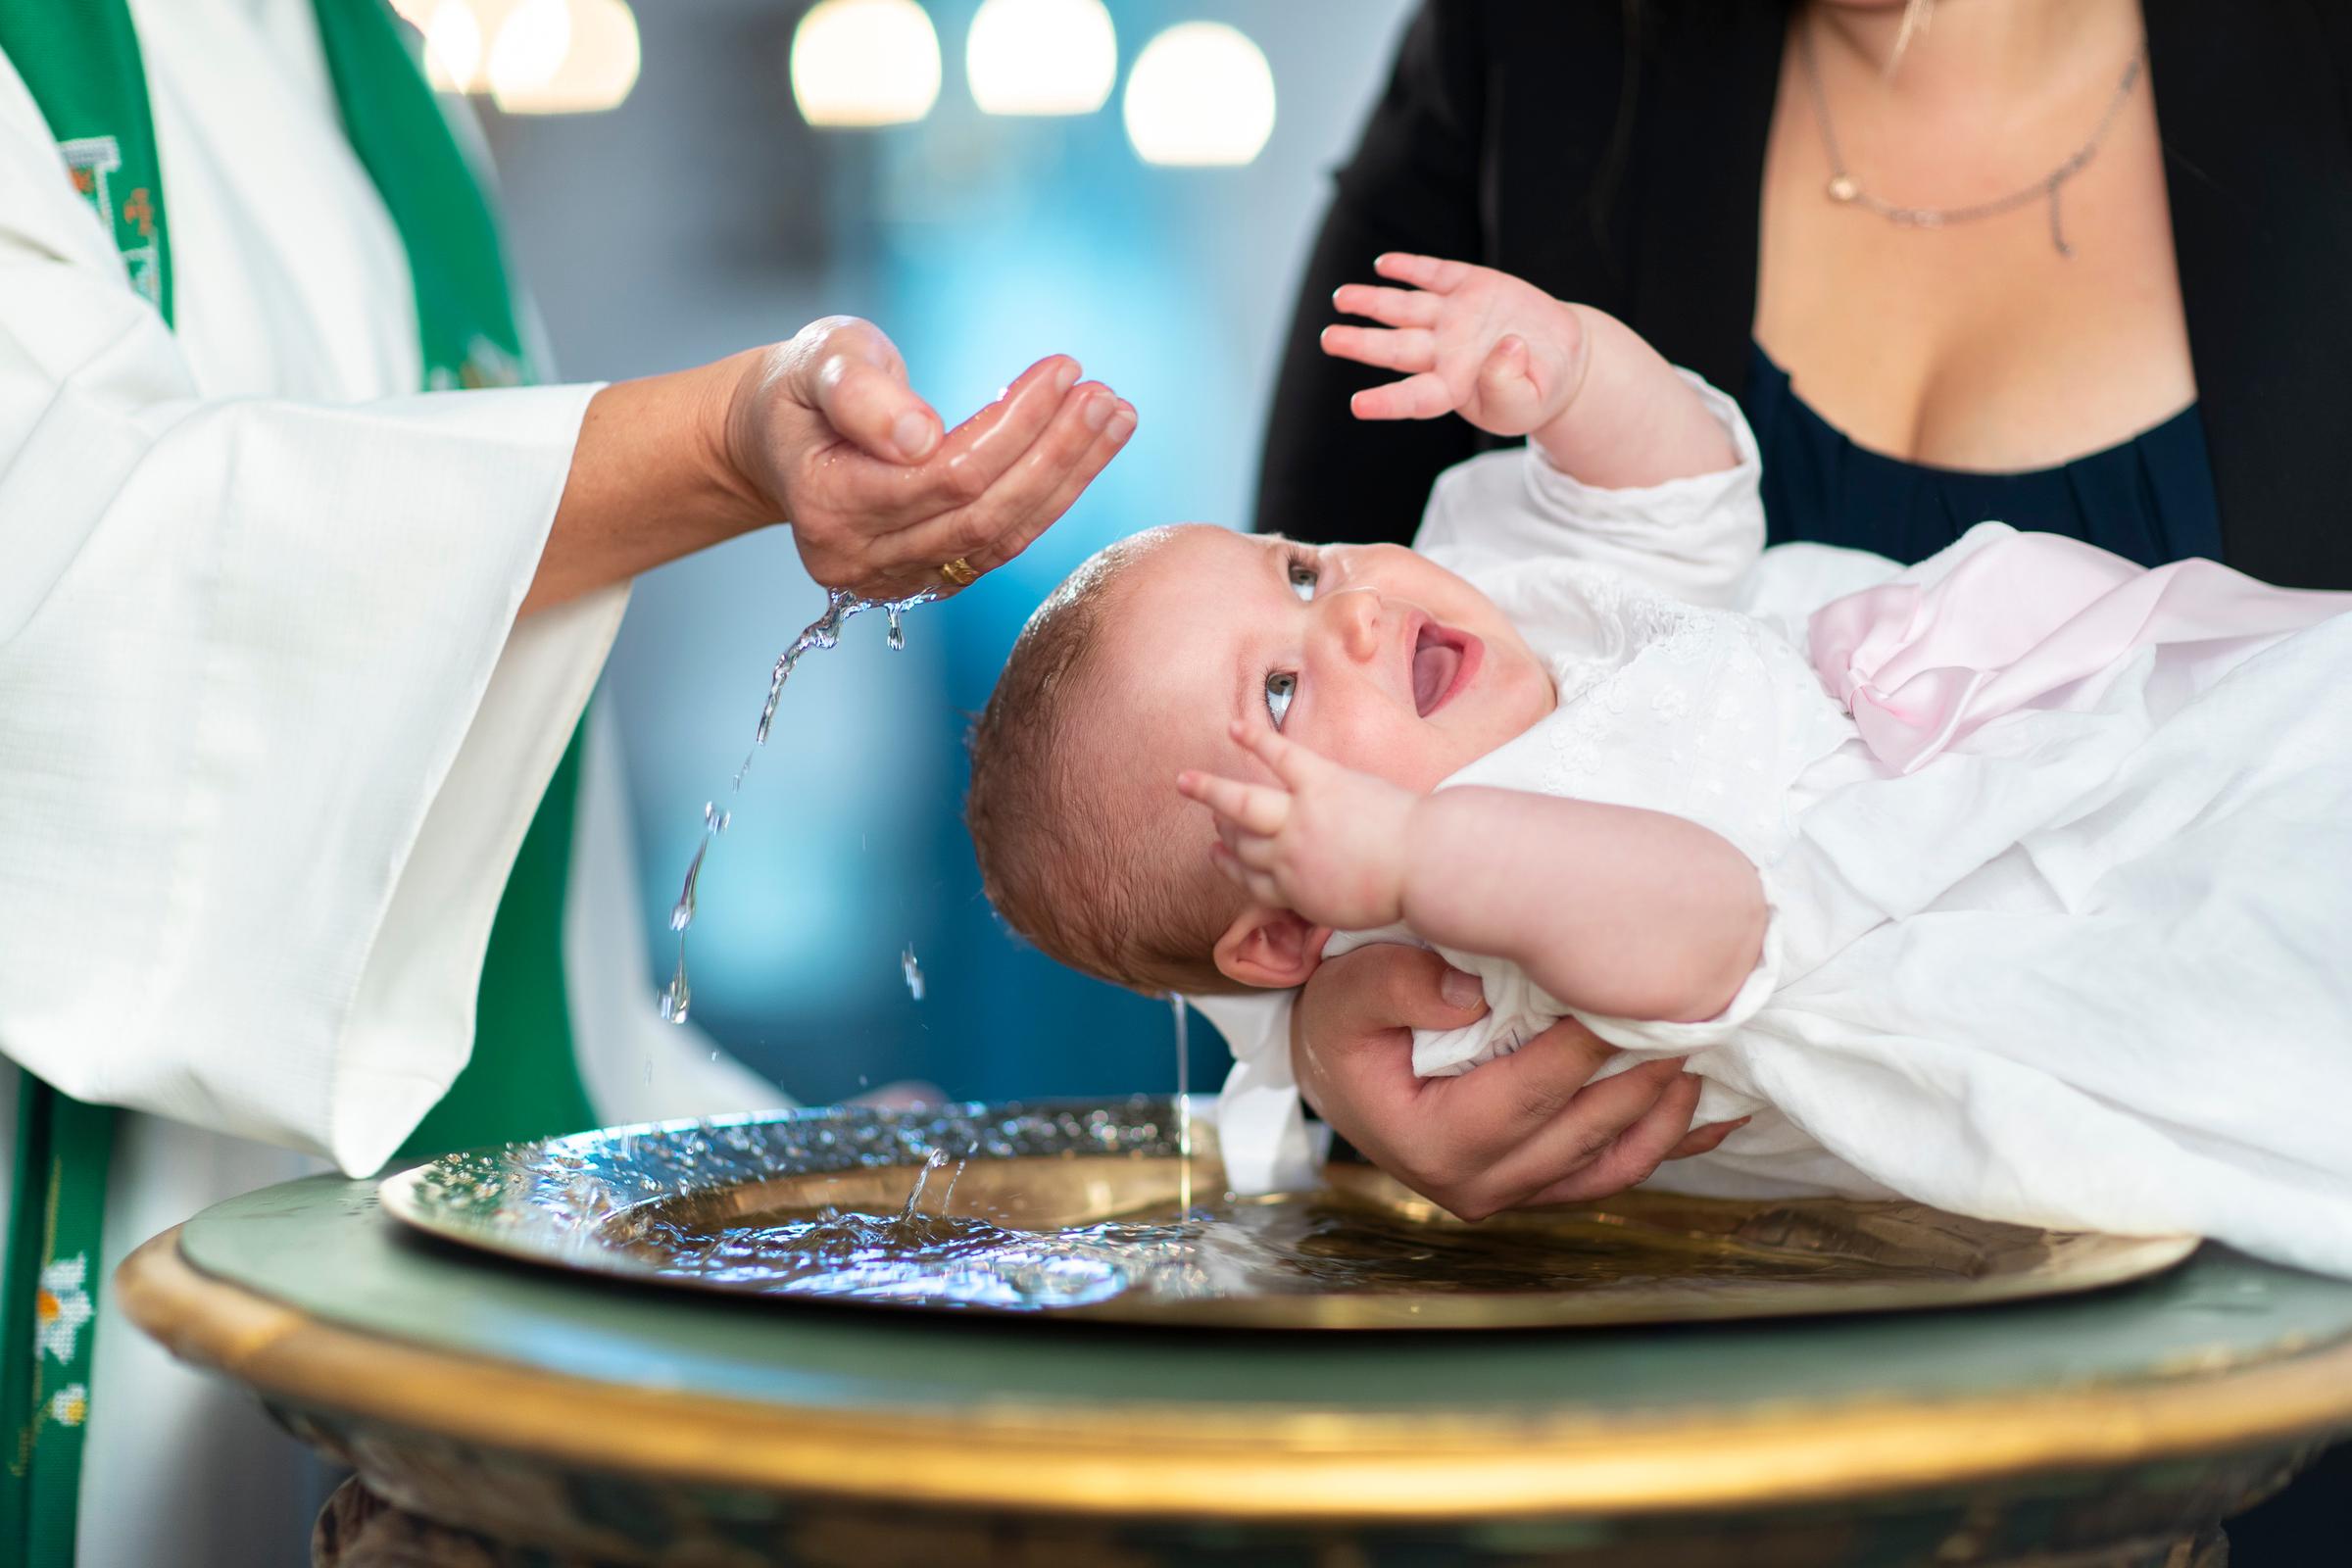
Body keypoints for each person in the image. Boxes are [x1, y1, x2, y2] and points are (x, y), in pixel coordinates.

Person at [0, 3, 1132, 1564]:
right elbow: (80, 601)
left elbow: (498, 904)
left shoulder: (380, 79)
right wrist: (716, 451)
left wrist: (770, 1185)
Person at [963, 250, 2352, 1275]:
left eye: (1306, 573)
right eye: (1278, 690)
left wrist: (1569, 371)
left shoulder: (1505, 598)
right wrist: (1415, 861)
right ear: (1292, 919)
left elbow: (1680, 501)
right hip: (2024, 900)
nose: (1356, 614)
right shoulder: (1470, 959)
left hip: (2063, 713)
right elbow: (1715, 925)